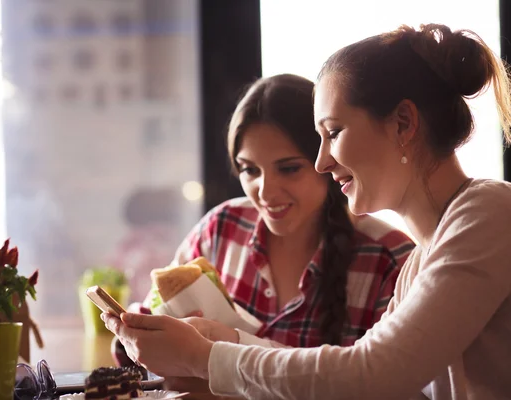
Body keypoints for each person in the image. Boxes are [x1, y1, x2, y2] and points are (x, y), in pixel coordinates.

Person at [103, 23, 511, 396]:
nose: (322, 162)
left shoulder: (488, 213)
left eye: (333, 132)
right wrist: (221, 340)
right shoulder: (422, 261)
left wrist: (201, 356)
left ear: (403, 123)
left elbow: (372, 372)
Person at [117, 73, 414, 356]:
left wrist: (226, 345)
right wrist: (136, 336)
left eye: (288, 169)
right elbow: (152, 315)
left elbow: (384, 384)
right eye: (250, 170)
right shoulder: (222, 228)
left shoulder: (388, 259)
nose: (265, 191)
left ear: (326, 162)